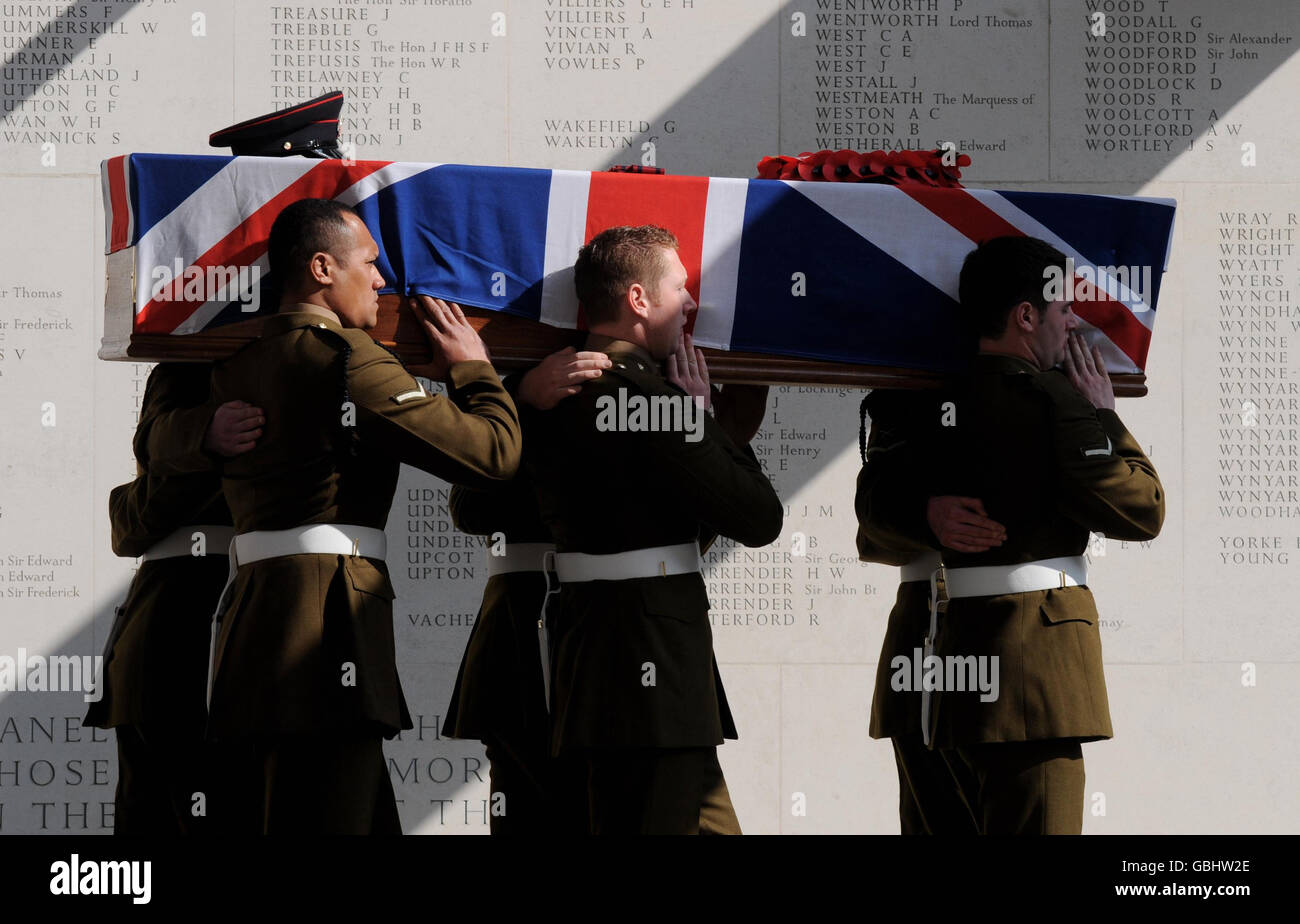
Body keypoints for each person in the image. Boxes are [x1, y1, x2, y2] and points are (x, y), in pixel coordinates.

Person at [147, 198, 522, 834]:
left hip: (251, 625)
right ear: (323, 267)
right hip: (326, 632)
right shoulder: (350, 359)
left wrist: (197, 433)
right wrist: (476, 372)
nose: (382, 281)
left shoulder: (233, 362)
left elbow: (151, 440)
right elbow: (492, 456)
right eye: (370, 265)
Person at [524, 224, 784, 834]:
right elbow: (759, 517)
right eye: (680, 287)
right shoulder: (648, 400)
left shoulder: (550, 390)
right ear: (638, 301)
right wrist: (702, 422)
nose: (693, 304)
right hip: (650, 666)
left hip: (606, 652)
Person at [902, 235, 1165, 834]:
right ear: (1026, 316)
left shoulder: (931, 401)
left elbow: (880, 501)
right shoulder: (1054, 402)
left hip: (956, 670)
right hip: (1035, 682)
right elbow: (1142, 510)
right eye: (1063, 309)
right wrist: (1104, 414)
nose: (1074, 324)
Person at [87, 362, 262, 834]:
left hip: (187, 632)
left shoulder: (194, 371)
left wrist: (125, 504)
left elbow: (138, 518)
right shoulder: (188, 370)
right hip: (178, 635)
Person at [442, 346, 611, 835]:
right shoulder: (518, 397)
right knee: (522, 805)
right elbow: (471, 510)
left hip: (609, 623)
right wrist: (518, 400)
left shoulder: (640, 396)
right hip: (520, 626)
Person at [855, 388, 1001, 834]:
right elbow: (872, 532)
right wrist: (924, 516)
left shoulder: (1037, 394)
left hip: (1006, 642)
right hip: (922, 640)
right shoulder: (904, 396)